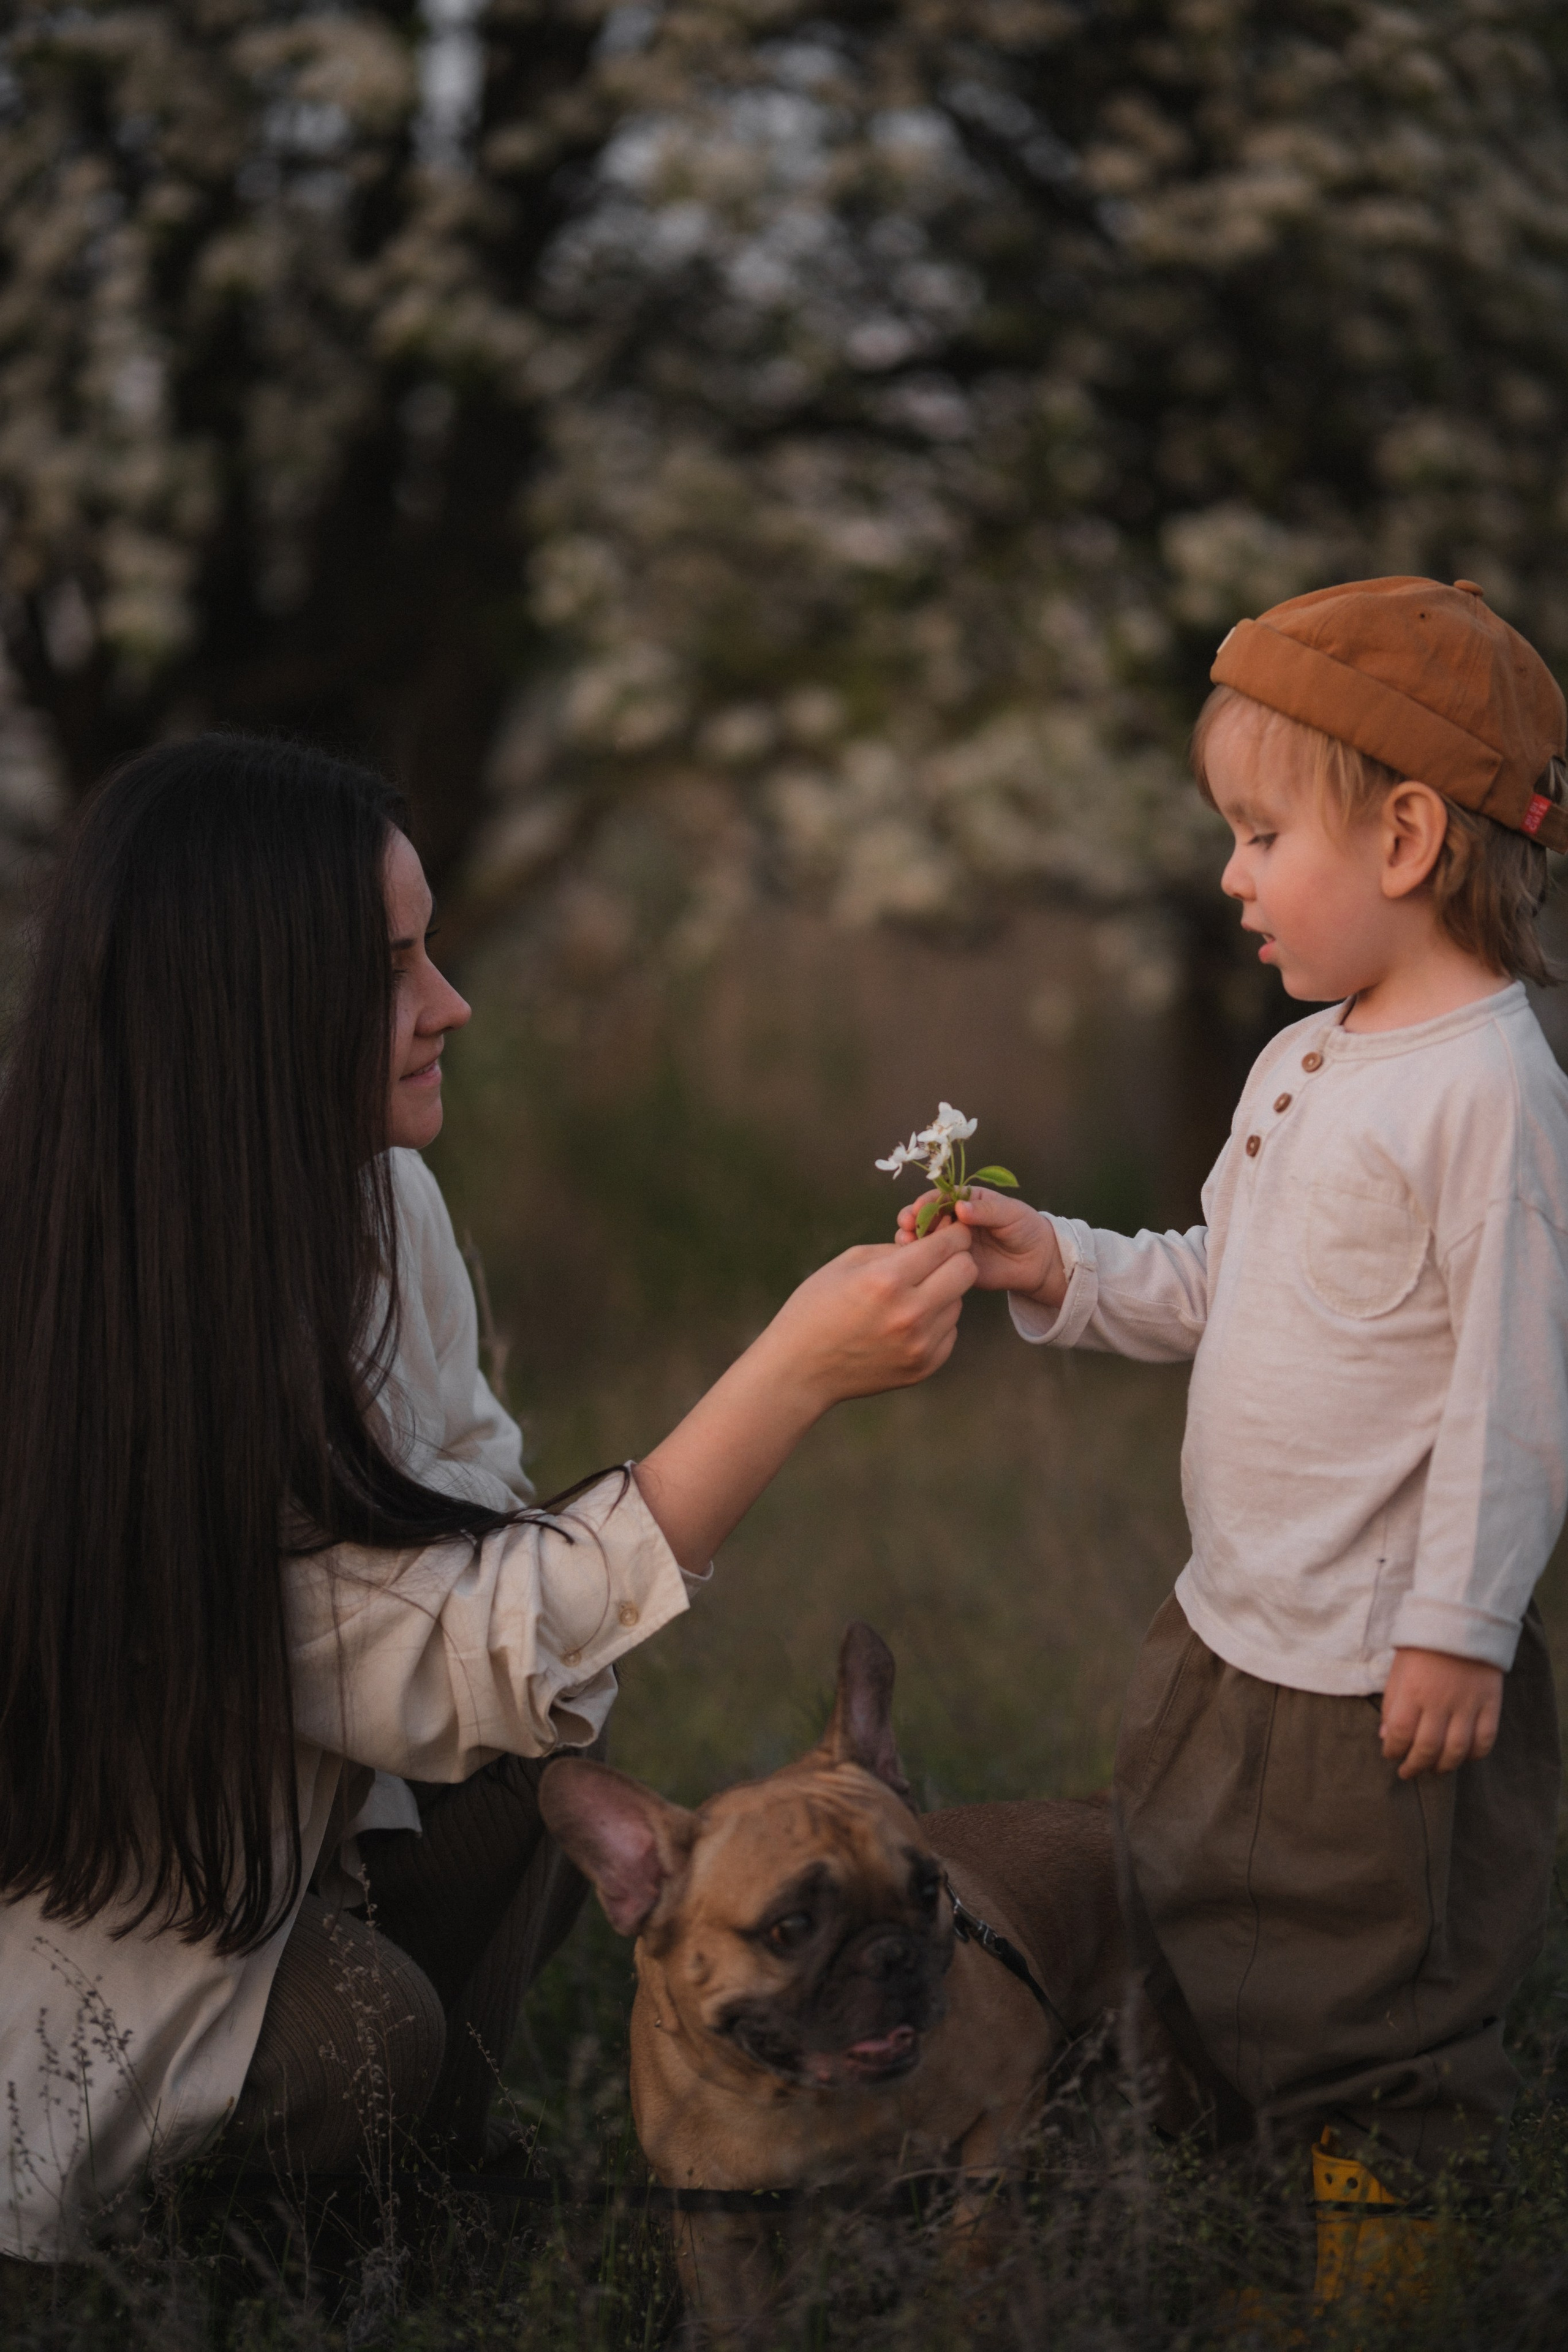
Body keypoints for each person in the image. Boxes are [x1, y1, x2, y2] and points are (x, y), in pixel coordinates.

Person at [0, 733, 975, 2265]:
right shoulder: (113, 1338)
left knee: (535, 1766)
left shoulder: (378, 1202)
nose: (448, 1003)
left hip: (291, 1822)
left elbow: (480, 1555)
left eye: (431, 948)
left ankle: (416, 2181)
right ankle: (259, 2239)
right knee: (371, 2041)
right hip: (114, 1922)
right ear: (247, 1016)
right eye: (394, 969)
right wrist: (787, 1377)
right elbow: (452, 1647)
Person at [900, 578, 1568, 2304]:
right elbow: (1223, 1283)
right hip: (1220, 1640)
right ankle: (1245, 2264)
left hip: (1379, 1688)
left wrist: (1460, 1623)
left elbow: (1519, 1384)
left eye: (1265, 833)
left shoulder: (1489, 1094)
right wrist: (1063, 1263)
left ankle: (1385, 2289)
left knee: (1364, 2009)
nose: (1233, 874)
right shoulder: (1298, 1061)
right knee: (1195, 1963)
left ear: (1411, 834)